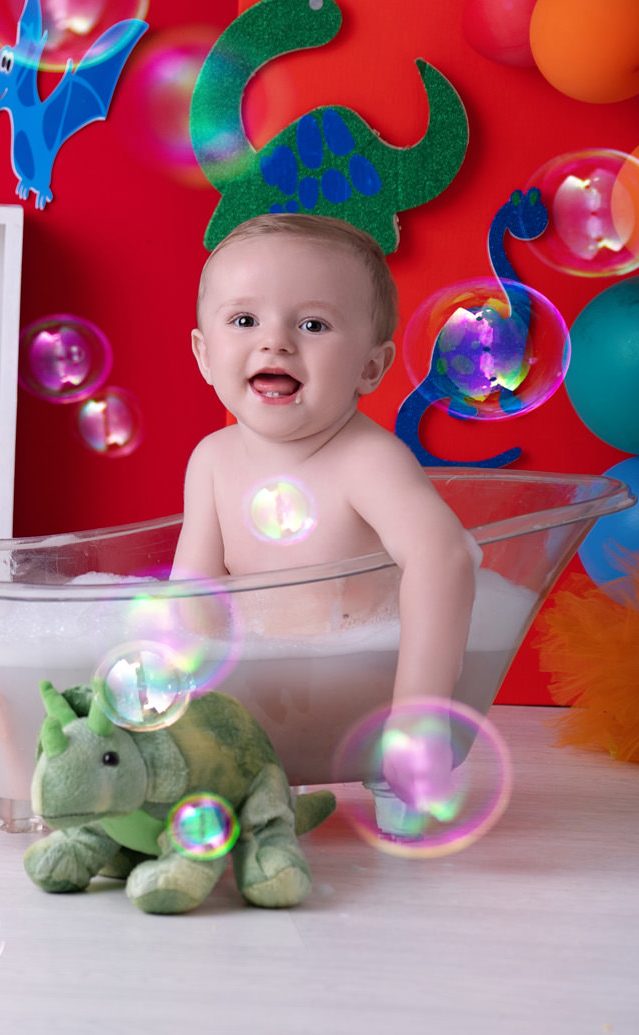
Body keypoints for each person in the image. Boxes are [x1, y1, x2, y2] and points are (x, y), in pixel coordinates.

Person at [171, 213, 478, 835]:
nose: (275, 343)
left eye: (312, 324)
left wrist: (419, 710)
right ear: (205, 355)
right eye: (244, 320)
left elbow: (444, 557)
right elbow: (193, 592)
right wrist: (170, 690)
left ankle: (395, 770)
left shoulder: (368, 460)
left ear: (370, 367)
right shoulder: (213, 459)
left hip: (364, 690)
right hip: (264, 690)